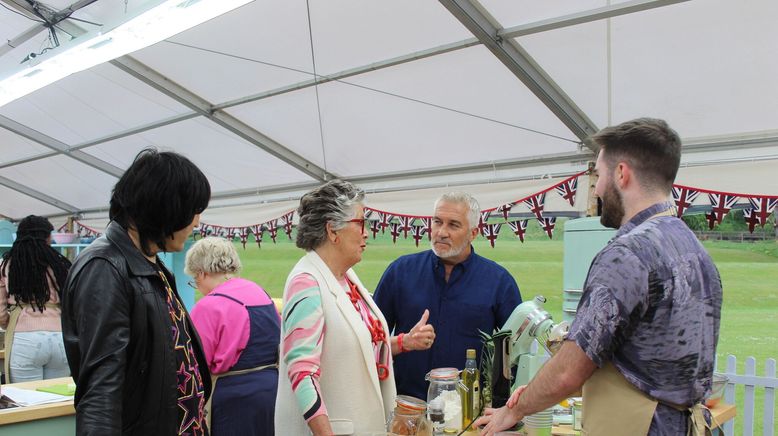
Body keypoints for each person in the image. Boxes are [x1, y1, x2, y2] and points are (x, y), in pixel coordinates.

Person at [474, 118, 723, 436]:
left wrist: (515, 410)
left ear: (622, 173)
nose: (598, 189)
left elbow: (569, 370)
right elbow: (644, 361)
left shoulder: (627, 254)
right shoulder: (696, 250)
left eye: (600, 175)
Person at [61, 149, 212, 436]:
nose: (197, 221)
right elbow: (101, 386)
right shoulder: (105, 267)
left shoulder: (147, 263)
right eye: (193, 210)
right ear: (166, 207)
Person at [274, 180, 396, 436]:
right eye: (361, 223)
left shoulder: (346, 277)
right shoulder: (306, 283)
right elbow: (302, 374)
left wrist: (404, 342)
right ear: (332, 230)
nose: (366, 233)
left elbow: (354, 347)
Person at [373, 192, 522, 401]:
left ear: (473, 233)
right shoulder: (400, 272)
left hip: (470, 412)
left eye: (453, 225)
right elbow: (370, 341)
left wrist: (498, 403)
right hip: (406, 408)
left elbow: (516, 352)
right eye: (437, 222)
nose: (441, 232)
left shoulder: (499, 282)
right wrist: (405, 341)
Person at [186, 237, 279, 436]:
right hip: (273, 393)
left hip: (233, 400)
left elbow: (194, 365)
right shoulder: (260, 292)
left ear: (201, 273)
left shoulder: (207, 306)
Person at [0, 215, 71, 382]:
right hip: (60, 337)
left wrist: (6, 322)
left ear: (19, 236)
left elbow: (0, 312)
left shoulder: (8, 264)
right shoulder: (59, 264)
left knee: (26, 400)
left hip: (24, 338)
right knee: (54, 400)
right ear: (47, 237)